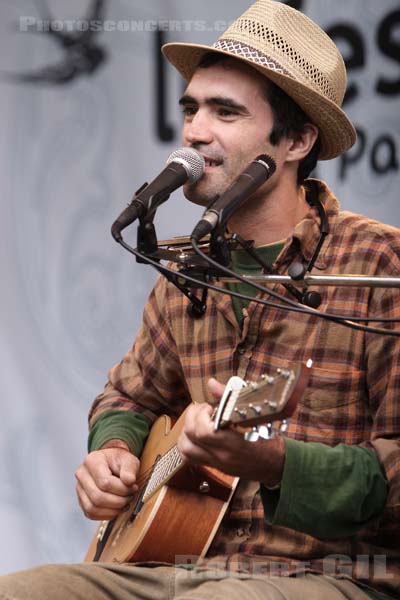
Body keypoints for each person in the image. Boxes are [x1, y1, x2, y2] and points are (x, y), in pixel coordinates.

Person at [1, 1, 399, 599]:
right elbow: (128, 397)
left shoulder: (377, 265)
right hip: (175, 568)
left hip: (332, 576)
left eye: (225, 111)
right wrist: (112, 450)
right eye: (191, 107)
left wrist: (276, 464)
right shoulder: (189, 268)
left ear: (295, 140)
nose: (193, 131)